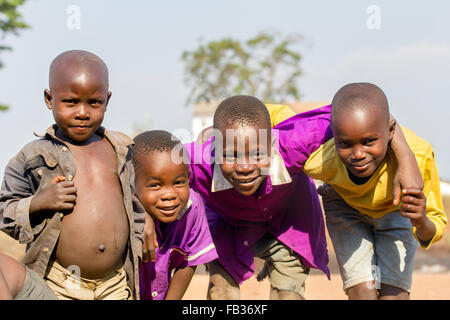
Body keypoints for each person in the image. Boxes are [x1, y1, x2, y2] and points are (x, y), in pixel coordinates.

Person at [180, 95, 422, 300]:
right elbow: (148, 161)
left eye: (256, 154)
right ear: (215, 151)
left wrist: (405, 156)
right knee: (221, 291)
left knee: (289, 292)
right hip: (229, 227)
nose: (245, 167)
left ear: (272, 143)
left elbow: (371, 115)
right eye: (231, 156)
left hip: (289, 225)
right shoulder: (196, 160)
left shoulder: (294, 142)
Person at [0, 50, 145, 300]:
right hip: (59, 282)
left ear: (107, 100)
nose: (82, 112)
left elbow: (138, 199)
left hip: (115, 283)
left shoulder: (121, 150)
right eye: (70, 102)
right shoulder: (33, 156)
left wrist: (148, 222)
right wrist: (37, 202)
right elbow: (4, 210)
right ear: (49, 98)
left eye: (94, 102)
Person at [296, 83, 447, 299]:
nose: (358, 154)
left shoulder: (419, 157)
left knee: (394, 295)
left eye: (369, 141)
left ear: (391, 132)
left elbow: (431, 231)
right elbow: (277, 135)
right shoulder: (321, 160)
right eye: (345, 143)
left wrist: (420, 219)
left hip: (395, 211)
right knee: (362, 291)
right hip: (344, 207)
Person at [132, 130, 218, 300]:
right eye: (156, 185)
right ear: (132, 184)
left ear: (189, 177)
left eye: (179, 182)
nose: (169, 194)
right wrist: (140, 215)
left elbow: (189, 260)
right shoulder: (121, 212)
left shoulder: (193, 207)